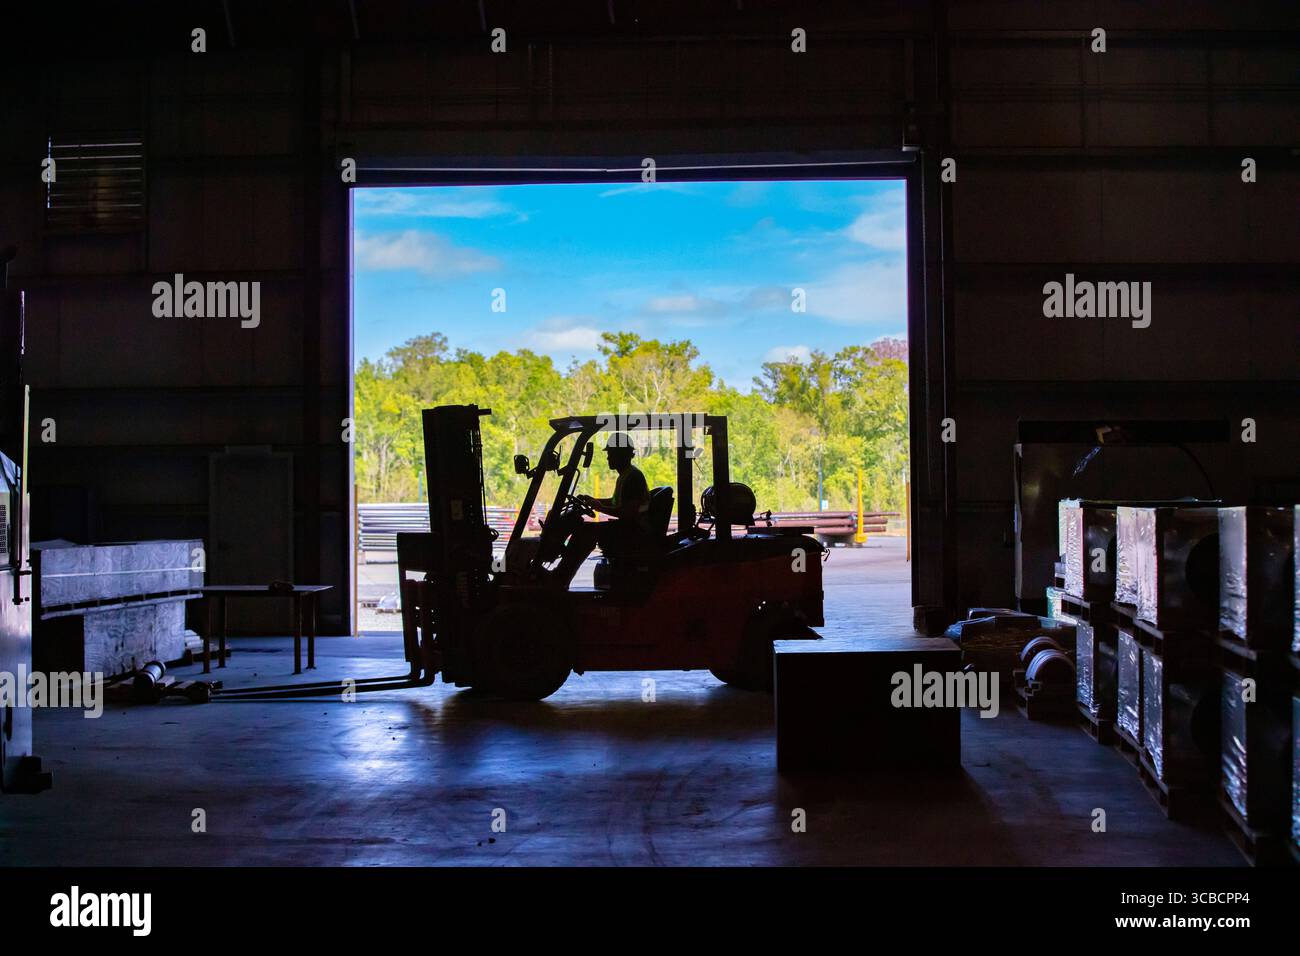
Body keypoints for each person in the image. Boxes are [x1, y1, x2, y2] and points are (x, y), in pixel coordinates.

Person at [552, 432, 650, 583]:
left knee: (586, 531)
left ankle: (560, 577)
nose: (608, 457)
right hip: (631, 528)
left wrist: (599, 507)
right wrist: (594, 500)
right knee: (586, 529)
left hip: (633, 531)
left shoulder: (633, 478)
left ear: (622, 454)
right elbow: (616, 501)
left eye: (611, 454)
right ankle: (561, 573)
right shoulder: (626, 475)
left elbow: (627, 513)